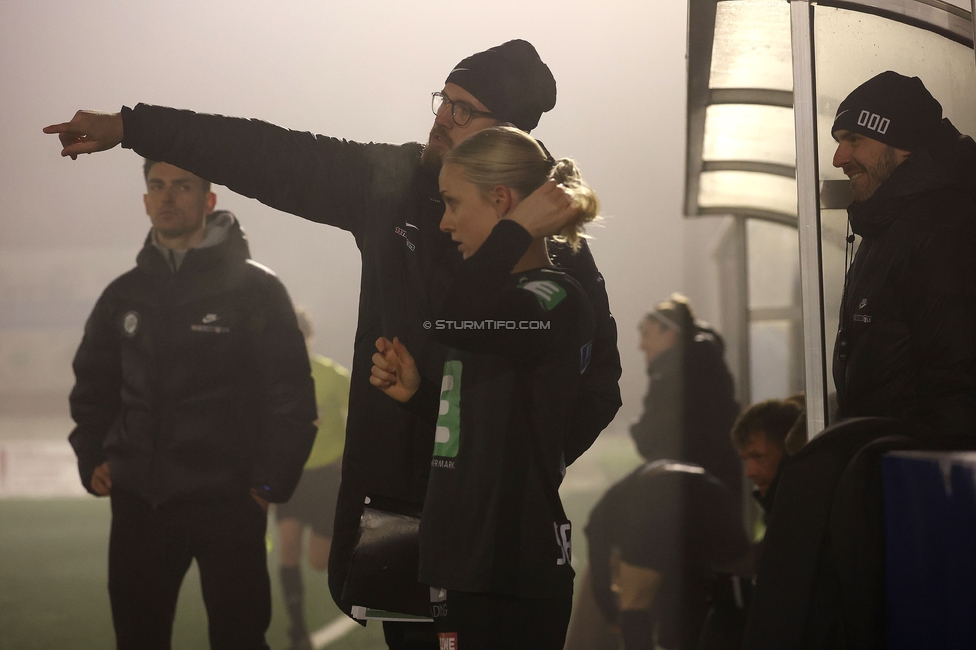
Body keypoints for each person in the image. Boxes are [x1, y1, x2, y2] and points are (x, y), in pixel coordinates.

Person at [43, 40, 623, 648]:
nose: (441, 120)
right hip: (397, 509)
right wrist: (132, 127)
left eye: (463, 110)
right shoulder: (392, 182)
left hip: (498, 532)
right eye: (443, 100)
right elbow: (266, 152)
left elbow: (599, 385)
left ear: (507, 133)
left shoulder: (555, 245)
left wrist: (518, 471)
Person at [68, 160, 317, 650]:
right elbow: (92, 389)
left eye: (182, 186)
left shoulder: (257, 290)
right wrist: (91, 453)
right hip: (140, 506)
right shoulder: (123, 295)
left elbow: (291, 398)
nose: (167, 197)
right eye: (157, 186)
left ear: (209, 200)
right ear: (145, 201)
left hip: (230, 505)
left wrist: (268, 485)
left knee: (240, 641)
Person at [368, 126, 599, 649]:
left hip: (509, 565)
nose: (444, 222)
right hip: (469, 560)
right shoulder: (504, 301)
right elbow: (495, 422)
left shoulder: (552, 297)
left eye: (453, 203)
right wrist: (422, 396)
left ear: (501, 200)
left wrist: (514, 231)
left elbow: (454, 315)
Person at [830, 70, 976, 447]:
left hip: (919, 476)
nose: (838, 158)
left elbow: (957, 389)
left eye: (854, 139)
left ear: (903, 145)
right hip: (891, 470)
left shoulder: (942, 229)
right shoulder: (890, 225)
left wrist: (933, 482)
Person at [584, 460, 750, 650]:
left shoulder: (604, 515)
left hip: (653, 506)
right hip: (712, 493)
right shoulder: (626, 489)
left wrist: (611, 615)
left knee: (635, 604)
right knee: (716, 586)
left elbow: (599, 569)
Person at [276, 308, 350, 650]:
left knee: (319, 562)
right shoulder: (272, 378)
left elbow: (361, 411)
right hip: (292, 476)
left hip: (326, 477)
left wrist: (348, 458)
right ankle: (298, 631)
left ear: (309, 337)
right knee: (288, 545)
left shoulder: (331, 375)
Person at [630, 295, 742, 510]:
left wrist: (636, 429)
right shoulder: (709, 367)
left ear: (670, 334)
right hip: (722, 486)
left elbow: (652, 437)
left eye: (646, 334)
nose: (641, 345)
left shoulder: (672, 379)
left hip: (687, 494)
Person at [729, 395, 806, 528]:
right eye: (746, 459)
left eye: (758, 456)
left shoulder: (804, 514)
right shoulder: (773, 512)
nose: (750, 472)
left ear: (787, 452)